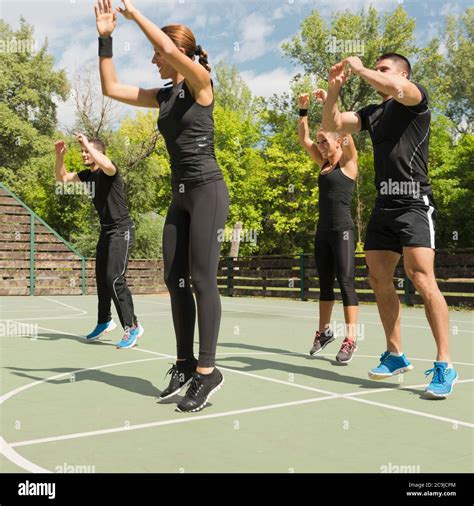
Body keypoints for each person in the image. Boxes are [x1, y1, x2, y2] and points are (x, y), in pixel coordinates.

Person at [95, 0, 229, 412]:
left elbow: (170, 53)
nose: (154, 60)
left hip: (207, 190)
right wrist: (105, 38)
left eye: (157, 53)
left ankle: (208, 372)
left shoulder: (201, 82)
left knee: (203, 280)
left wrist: (135, 16)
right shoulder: (165, 95)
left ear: (180, 52)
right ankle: (185, 363)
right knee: (175, 281)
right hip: (180, 195)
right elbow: (111, 89)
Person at [322, 53, 458, 398]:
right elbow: (334, 125)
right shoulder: (373, 113)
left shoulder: (414, 98)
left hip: (414, 200)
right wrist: (334, 90)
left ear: (403, 73)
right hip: (383, 203)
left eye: (384, 69)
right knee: (379, 278)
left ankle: (445, 364)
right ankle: (395, 353)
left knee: (421, 276)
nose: (378, 74)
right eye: (377, 68)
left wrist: (359, 67)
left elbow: (395, 87)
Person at [54, 134, 143, 349]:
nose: (84, 154)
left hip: (122, 230)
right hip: (106, 232)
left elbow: (106, 164)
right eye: (83, 151)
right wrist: (59, 156)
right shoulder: (87, 175)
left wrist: (88, 144)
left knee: (114, 278)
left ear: (99, 153)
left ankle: (132, 326)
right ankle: (104, 320)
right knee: (102, 280)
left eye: (87, 150)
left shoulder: (109, 171)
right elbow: (62, 178)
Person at [297, 88, 359, 364]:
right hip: (323, 232)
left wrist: (329, 102)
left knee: (345, 282)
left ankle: (351, 339)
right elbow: (303, 138)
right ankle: (324, 332)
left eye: (325, 142)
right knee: (324, 285)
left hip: (343, 230)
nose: (320, 145)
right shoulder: (322, 164)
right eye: (320, 143)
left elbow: (344, 130)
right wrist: (303, 110)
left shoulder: (348, 164)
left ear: (339, 142)